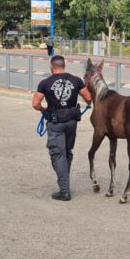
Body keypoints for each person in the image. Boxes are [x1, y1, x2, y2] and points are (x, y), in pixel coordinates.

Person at [31, 55, 92, 201]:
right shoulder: (76, 80)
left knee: (57, 154)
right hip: (71, 121)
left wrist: (43, 110)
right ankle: (65, 180)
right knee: (66, 152)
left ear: (52, 67)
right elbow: (89, 98)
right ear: (64, 66)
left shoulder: (45, 83)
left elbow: (35, 103)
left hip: (55, 122)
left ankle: (64, 191)